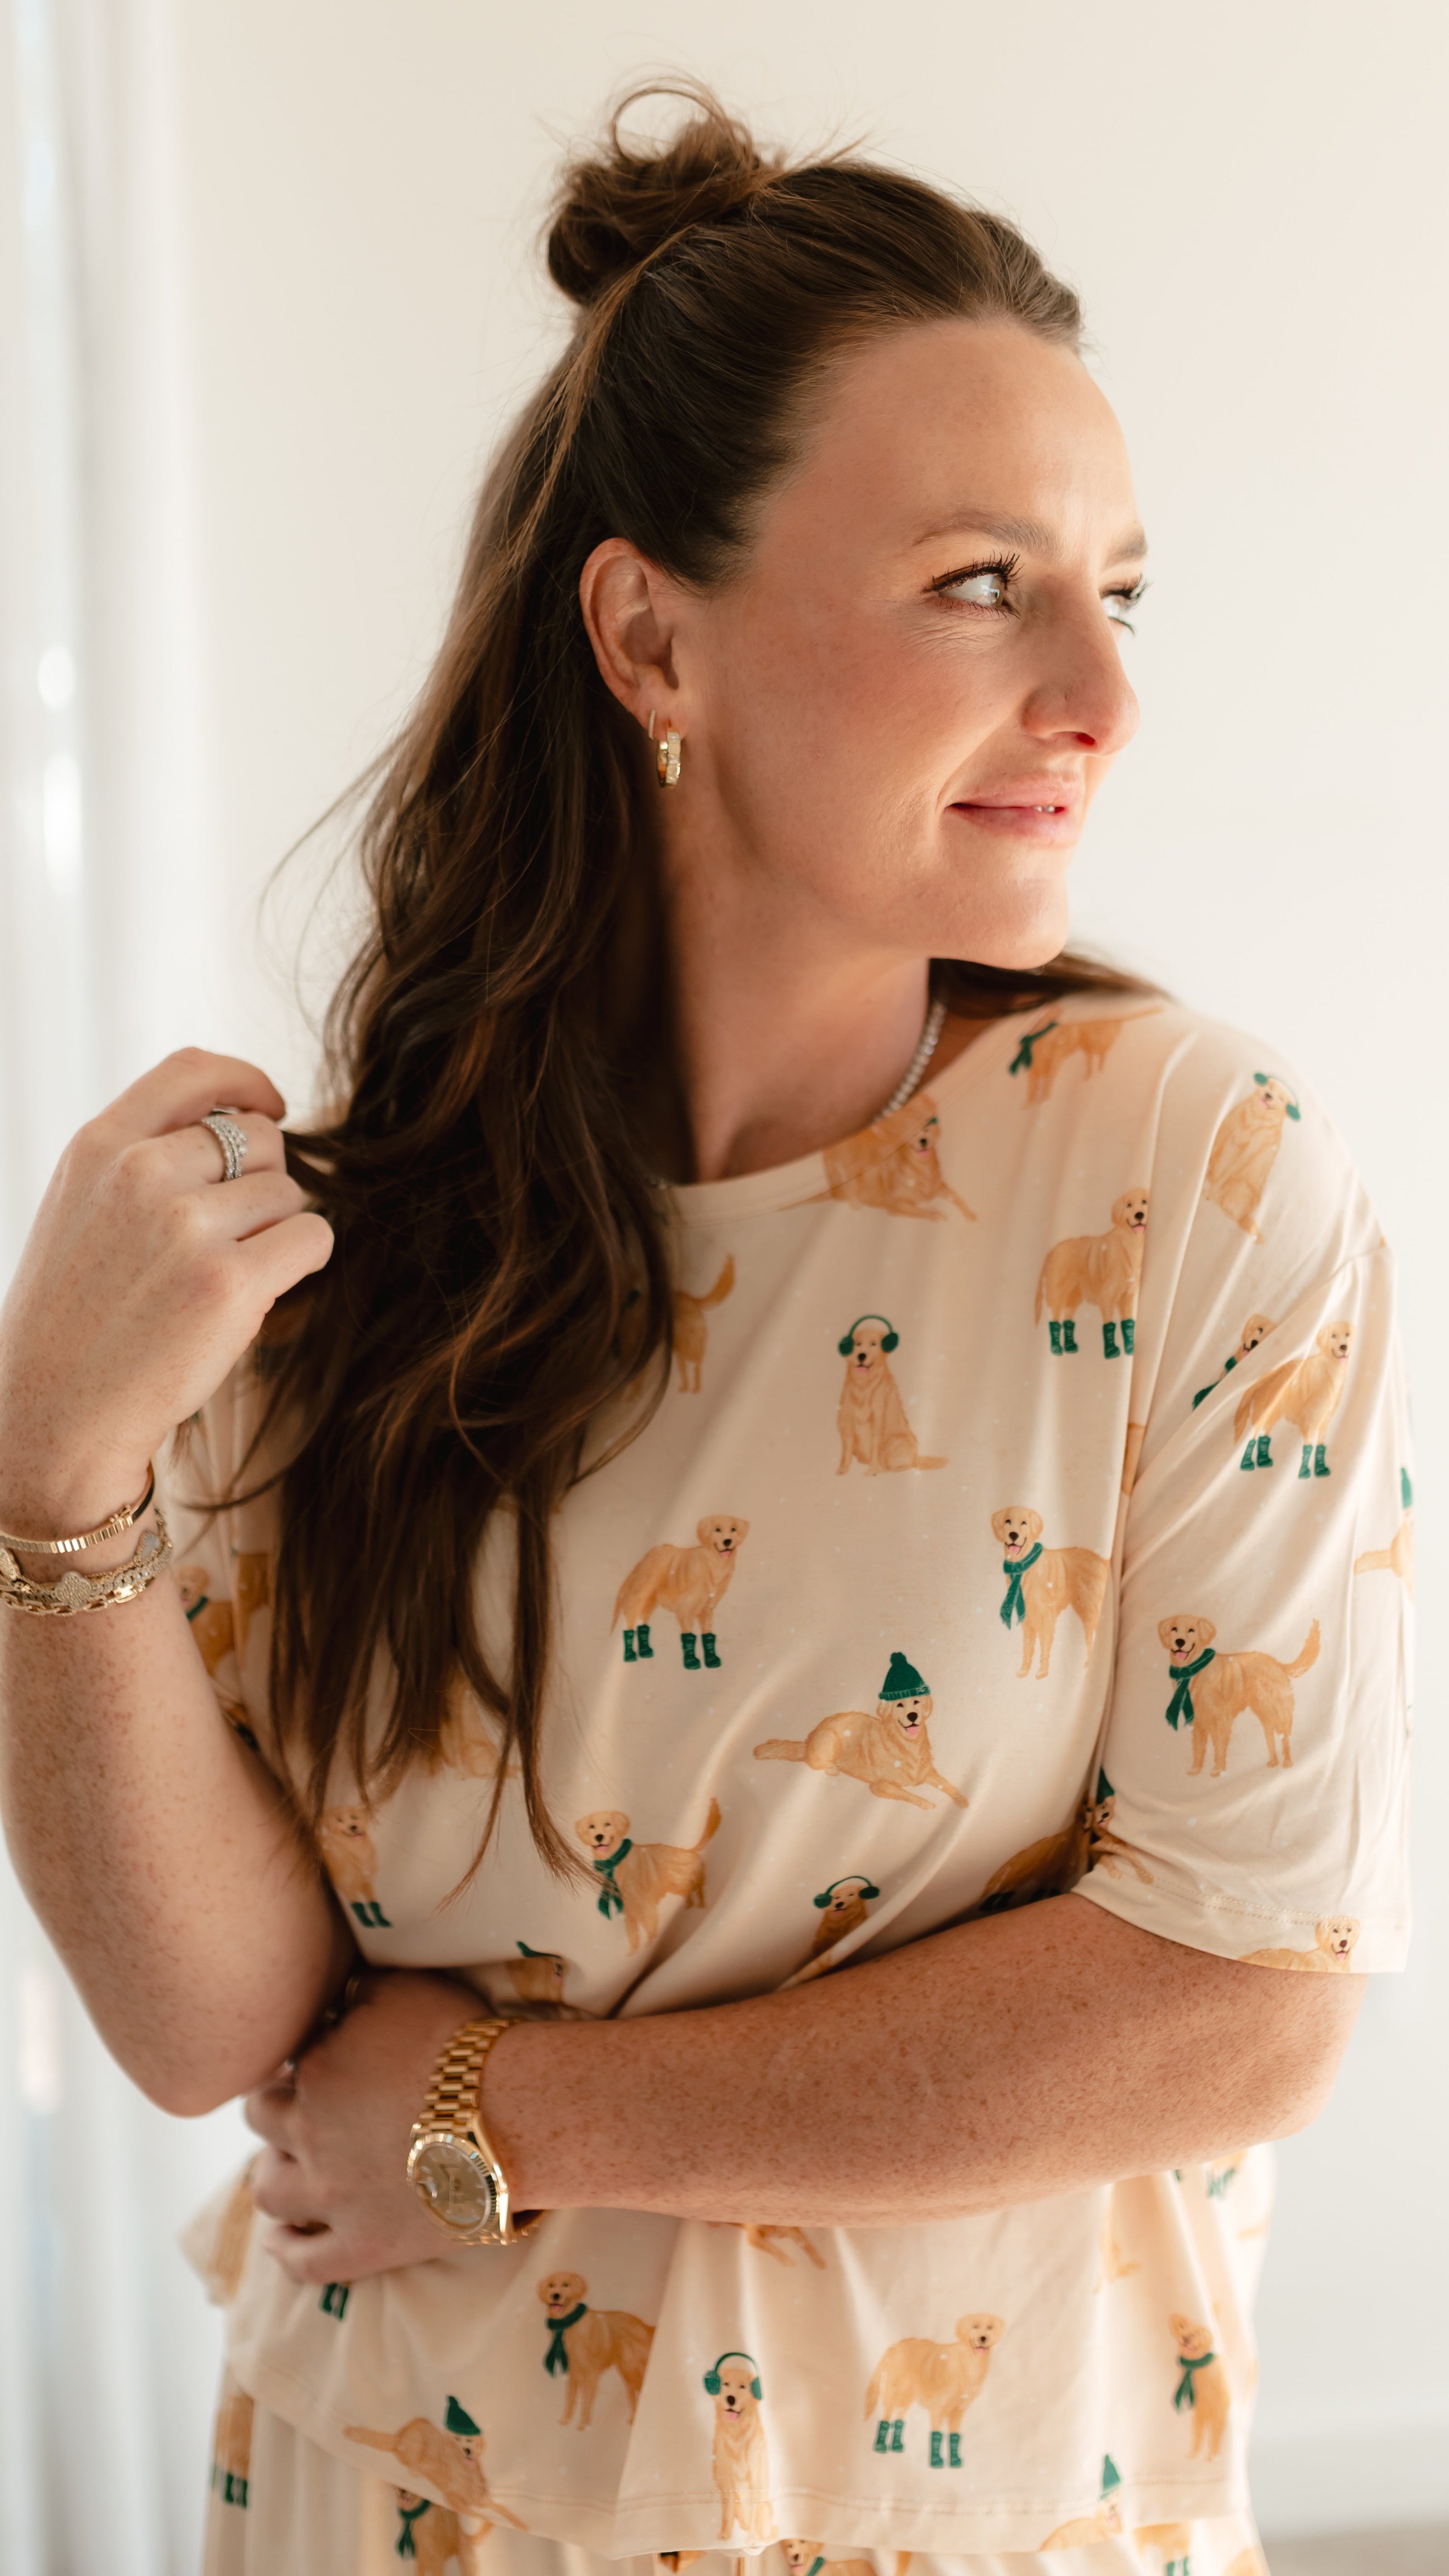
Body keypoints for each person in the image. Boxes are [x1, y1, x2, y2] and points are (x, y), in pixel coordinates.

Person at [0, 81, 1411, 2576]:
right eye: (981, 584)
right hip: (381, 2503)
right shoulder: (333, 1266)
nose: (1100, 687)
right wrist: (53, 1477)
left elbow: (1241, 1997)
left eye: (1119, 591)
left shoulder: (1183, 1179)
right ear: (652, 634)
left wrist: (501, 2114)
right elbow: (208, 2027)